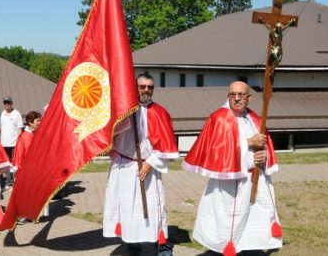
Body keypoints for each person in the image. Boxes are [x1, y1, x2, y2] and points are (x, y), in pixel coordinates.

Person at [182, 81, 282, 255]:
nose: (236, 99)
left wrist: (263, 156)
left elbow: (265, 145)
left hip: (254, 180)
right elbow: (216, 150)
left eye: (241, 95)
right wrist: (249, 143)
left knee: (253, 223)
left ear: (249, 97)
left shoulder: (255, 118)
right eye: (232, 95)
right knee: (230, 225)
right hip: (229, 184)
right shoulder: (219, 118)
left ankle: (252, 251)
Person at [103, 73, 178, 256]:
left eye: (150, 87)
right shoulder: (123, 111)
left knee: (154, 208)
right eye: (142, 86)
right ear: (135, 87)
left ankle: (160, 246)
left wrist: (149, 163)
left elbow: (167, 147)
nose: (146, 90)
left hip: (149, 169)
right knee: (129, 209)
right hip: (125, 169)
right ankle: (132, 246)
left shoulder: (160, 113)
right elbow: (109, 136)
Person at [11, 111, 47, 222]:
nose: (40, 122)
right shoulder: (23, 137)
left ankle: (36, 214)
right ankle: (24, 214)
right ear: (30, 122)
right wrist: (19, 170)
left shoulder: (40, 134)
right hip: (27, 170)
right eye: (38, 120)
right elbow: (19, 154)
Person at [0, 96, 23, 189]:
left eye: (8, 102)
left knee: (15, 162)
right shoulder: (1, 115)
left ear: (12, 103)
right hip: (4, 143)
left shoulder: (17, 114)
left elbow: (20, 128)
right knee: (7, 163)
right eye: (5, 103)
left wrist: (19, 141)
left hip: (14, 143)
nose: (7, 104)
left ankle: (17, 180)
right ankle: (9, 181)